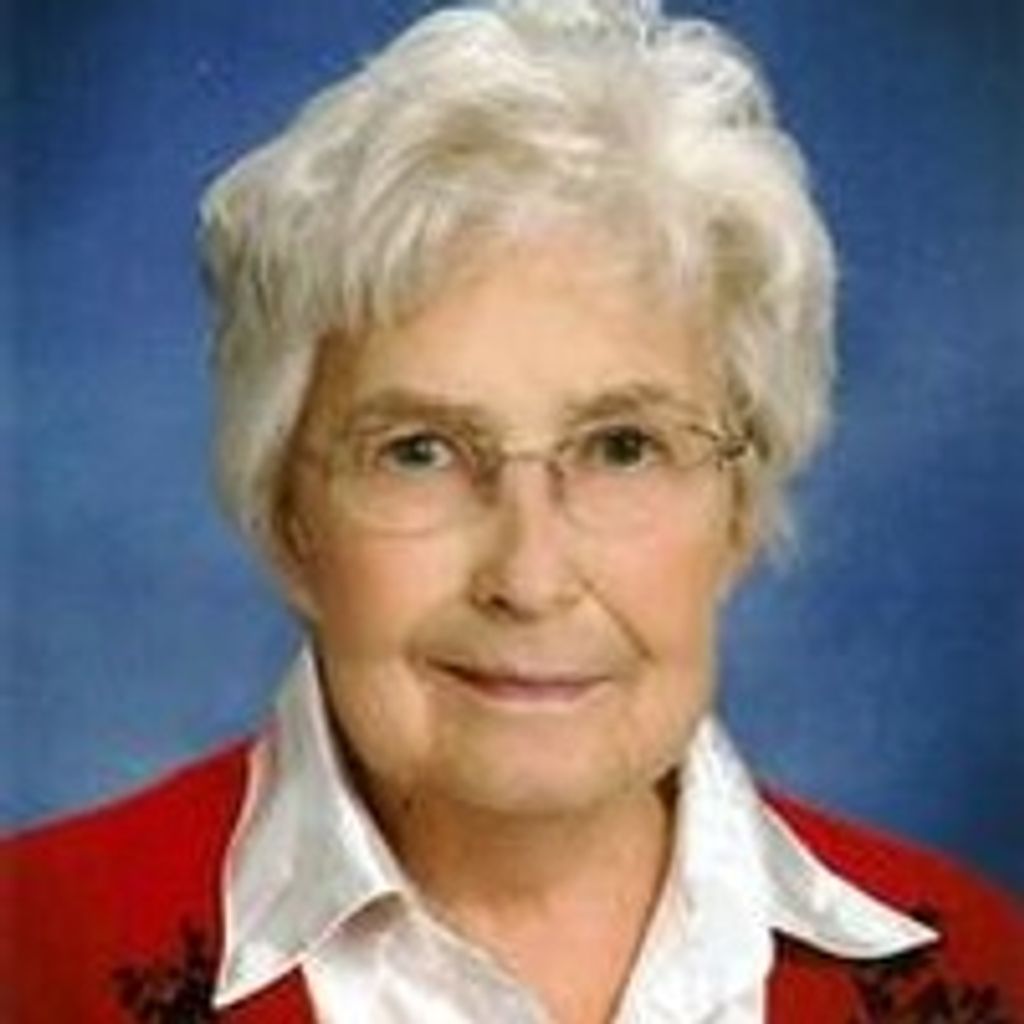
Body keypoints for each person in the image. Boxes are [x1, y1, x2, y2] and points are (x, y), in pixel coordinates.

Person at [4, 2, 1020, 1021]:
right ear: (286, 517)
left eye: (624, 447)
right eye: (419, 451)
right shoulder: (29, 955)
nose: (529, 579)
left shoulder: (987, 971)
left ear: (741, 509)